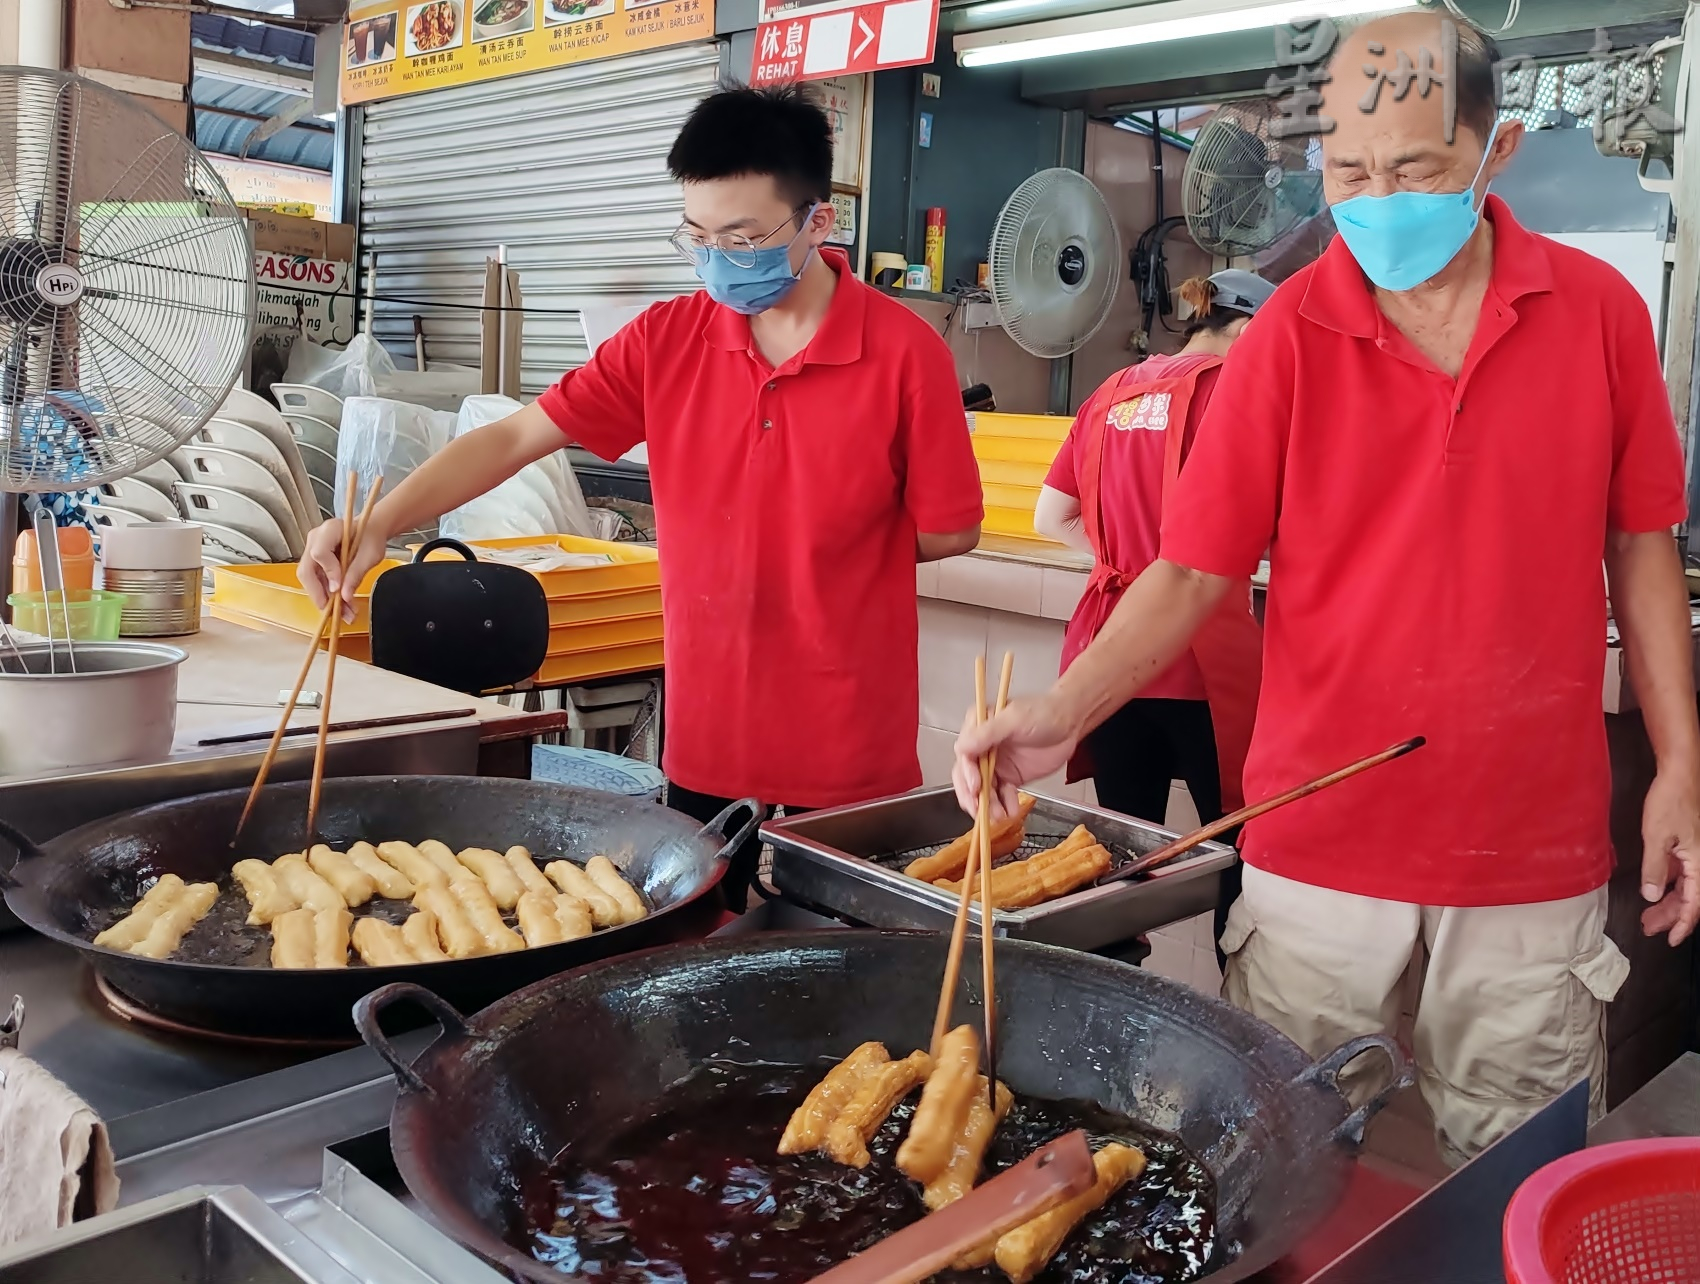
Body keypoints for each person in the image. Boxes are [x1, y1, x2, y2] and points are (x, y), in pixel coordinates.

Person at [953, 10, 1700, 1166]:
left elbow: (1640, 546)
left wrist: (1680, 771)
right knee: (1277, 1164)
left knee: (1512, 1172)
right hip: (1313, 845)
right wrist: (1062, 711)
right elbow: (1191, 570)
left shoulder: (1595, 317)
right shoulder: (1285, 337)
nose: (1377, 197)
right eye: (1347, 170)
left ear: (1490, 151)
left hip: (1526, 855)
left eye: (1413, 168)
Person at [300, 85, 984, 912]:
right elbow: (516, 437)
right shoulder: (667, 341)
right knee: (694, 964)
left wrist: (821, 542)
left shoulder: (908, 355)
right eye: (698, 236)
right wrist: (375, 522)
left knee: (836, 978)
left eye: (743, 237)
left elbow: (950, 532)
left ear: (817, 222)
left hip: (846, 746)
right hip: (704, 740)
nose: (719, 258)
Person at [1033, 271, 1270, 961]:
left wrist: (1123, 561)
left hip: (1110, 655)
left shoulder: (1110, 392)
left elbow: (1054, 517)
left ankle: (1114, 1007)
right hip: (1204, 661)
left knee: (1114, 863)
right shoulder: (1236, 391)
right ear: (1252, 330)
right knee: (1238, 852)